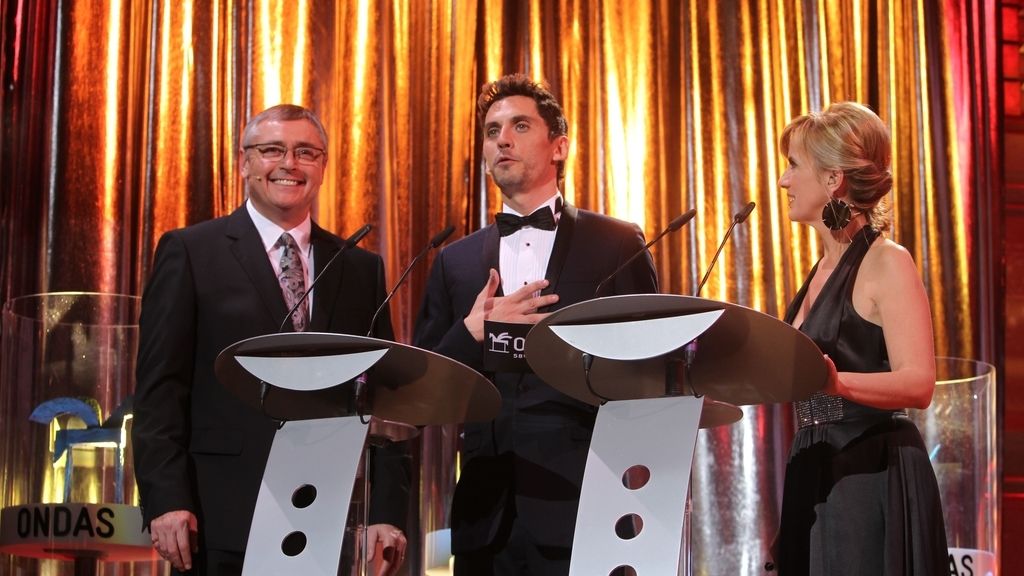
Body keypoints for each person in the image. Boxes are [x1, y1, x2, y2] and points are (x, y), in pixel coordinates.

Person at [132, 104, 409, 575]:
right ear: (244, 163)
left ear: (322, 166)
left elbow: (386, 400)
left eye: (306, 152)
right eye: (272, 150)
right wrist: (167, 499)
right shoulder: (191, 251)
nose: (289, 164)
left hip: (331, 519)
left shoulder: (359, 267)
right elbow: (160, 390)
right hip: (218, 517)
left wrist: (384, 512)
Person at [413, 73, 659, 576]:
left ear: (559, 146)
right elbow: (423, 393)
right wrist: (473, 330)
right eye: (491, 131)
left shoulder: (616, 242)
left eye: (519, 126)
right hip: (485, 515)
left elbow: (651, 365)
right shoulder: (454, 262)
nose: (501, 139)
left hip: (587, 504)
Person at [771, 102, 948, 574]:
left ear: (833, 180)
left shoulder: (888, 261)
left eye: (793, 166)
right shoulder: (818, 272)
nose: (784, 181)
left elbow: (919, 384)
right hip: (813, 469)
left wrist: (837, 385)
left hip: (869, 476)